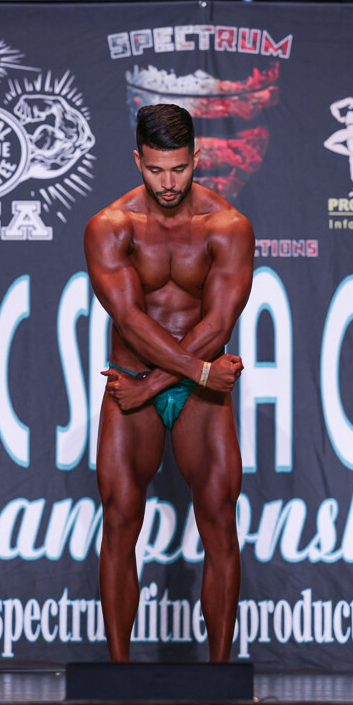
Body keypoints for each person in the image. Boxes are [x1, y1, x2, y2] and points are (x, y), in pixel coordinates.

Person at [84, 103, 255, 662]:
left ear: (196, 159)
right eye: (156, 169)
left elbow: (218, 325)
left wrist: (156, 385)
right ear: (138, 160)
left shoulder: (228, 227)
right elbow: (131, 320)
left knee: (219, 519)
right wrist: (198, 372)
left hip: (184, 388)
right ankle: (117, 677)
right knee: (119, 518)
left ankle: (222, 680)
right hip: (149, 375)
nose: (167, 183)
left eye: (178, 169)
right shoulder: (111, 226)